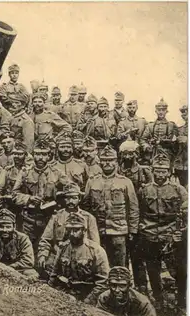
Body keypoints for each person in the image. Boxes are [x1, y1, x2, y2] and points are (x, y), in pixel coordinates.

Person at [138, 152, 187, 309]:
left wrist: (180, 231)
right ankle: (158, 299)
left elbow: (186, 212)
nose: (160, 174)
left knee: (180, 270)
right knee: (153, 269)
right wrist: (142, 227)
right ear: (152, 171)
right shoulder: (144, 190)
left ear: (169, 171)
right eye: (157, 170)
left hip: (171, 236)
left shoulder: (179, 190)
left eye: (163, 170)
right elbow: (138, 211)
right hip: (150, 234)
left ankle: (181, 299)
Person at [82, 145, 139, 267]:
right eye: (104, 160)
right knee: (99, 263)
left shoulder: (125, 182)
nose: (107, 163)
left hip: (119, 230)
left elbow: (133, 208)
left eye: (110, 160)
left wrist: (132, 230)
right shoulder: (92, 181)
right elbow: (86, 207)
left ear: (116, 162)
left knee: (120, 264)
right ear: (100, 161)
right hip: (97, 230)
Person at [13, 139, 68, 251]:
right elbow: (14, 195)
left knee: (47, 252)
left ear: (49, 156)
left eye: (44, 154)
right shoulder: (25, 172)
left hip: (49, 220)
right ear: (33, 155)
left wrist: (58, 199)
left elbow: (71, 191)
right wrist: (29, 198)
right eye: (37, 154)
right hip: (29, 220)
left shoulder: (57, 173)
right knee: (26, 250)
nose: (40, 158)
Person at [38, 182, 99, 279]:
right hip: (59, 256)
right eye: (68, 198)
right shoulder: (56, 217)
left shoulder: (89, 218)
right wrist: (42, 255)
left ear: (79, 199)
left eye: (74, 198)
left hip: (81, 257)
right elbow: (45, 239)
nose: (70, 201)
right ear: (64, 199)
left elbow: (95, 245)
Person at [49, 213, 110, 302]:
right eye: (69, 230)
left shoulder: (96, 251)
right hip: (66, 292)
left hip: (87, 295)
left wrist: (89, 299)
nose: (72, 233)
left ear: (84, 230)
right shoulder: (63, 248)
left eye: (76, 230)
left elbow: (103, 282)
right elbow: (54, 275)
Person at [141, 98, 179, 167]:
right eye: (159, 110)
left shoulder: (172, 125)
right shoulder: (150, 125)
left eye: (163, 110)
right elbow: (143, 139)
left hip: (167, 153)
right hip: (152, 153)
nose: (161, 112)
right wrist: (146, 147)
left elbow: (177, 140)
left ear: (166, 111)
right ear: (156, 111)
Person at [174, 105, 188, 187]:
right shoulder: (180, 129)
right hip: (181, 164)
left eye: (186, 111)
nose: (184, 114)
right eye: (182, 112)